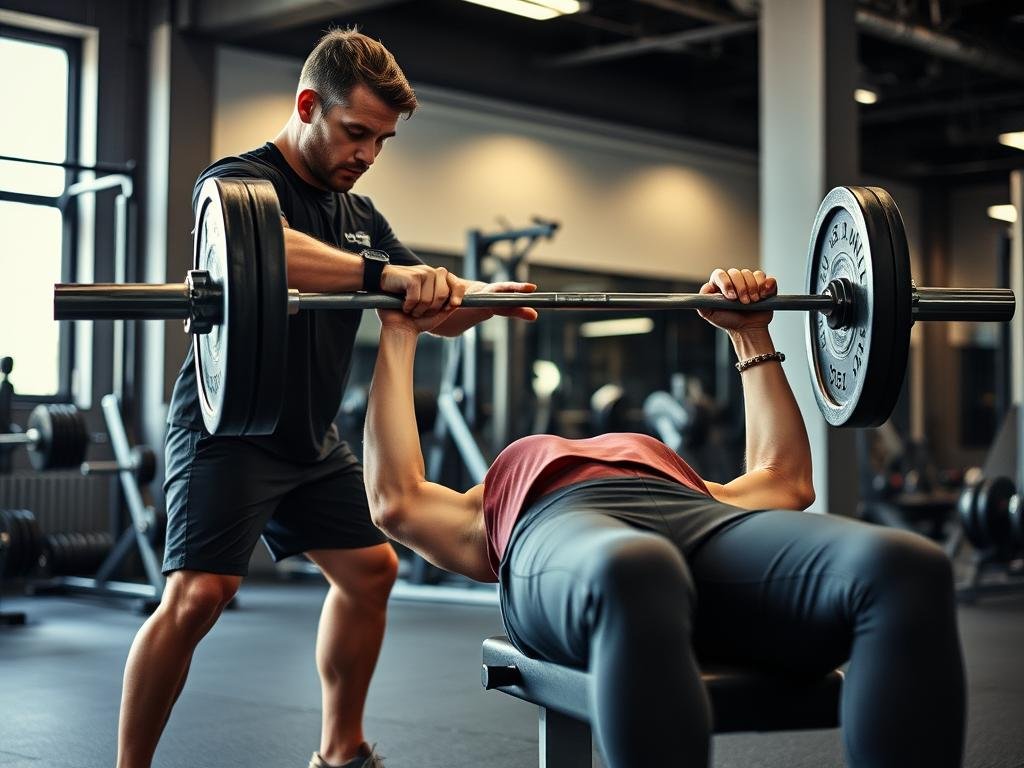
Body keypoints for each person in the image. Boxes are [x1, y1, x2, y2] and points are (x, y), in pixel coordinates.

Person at [116, 29, 535, 768]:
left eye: (382, 141)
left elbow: (432, 311)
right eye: (357, 133)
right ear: (309, 104)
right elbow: (268, 251)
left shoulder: (360, 218)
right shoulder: (235, 182)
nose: (369, 154)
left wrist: (482, 300)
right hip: (226, 427)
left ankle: (340, 750)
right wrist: (389, 278)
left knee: (372, 569)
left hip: (310, 438)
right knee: (199, 593)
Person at [363, 267, 967, 768]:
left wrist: (751, 334)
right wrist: (400, 331)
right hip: (555, 529)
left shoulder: (690, 479)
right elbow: (397, 498)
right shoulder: (483, 509)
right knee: (638, 567)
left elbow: (785, 481)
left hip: (695, 517)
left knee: (904, 564)